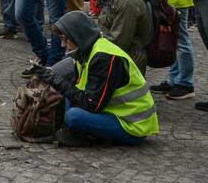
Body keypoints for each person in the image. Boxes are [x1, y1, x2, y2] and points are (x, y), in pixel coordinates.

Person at [31, 11, 159, 147]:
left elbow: (92, 105)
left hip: (132, 125)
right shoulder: (87, 49)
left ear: (78, 35)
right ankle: (69, 130)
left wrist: (56, 80)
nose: (63, 45)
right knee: (67, 93)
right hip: (111, 112)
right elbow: (76, 88)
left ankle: (83, 134)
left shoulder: (104, 57)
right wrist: (48, 75)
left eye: (66, 39)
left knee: (73, 116)